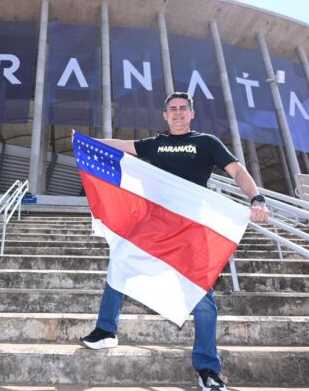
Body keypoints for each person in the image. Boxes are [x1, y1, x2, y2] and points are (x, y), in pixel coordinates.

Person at [79, 92, 269, 391]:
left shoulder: (206, 142)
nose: (178, 113)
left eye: (183, 109)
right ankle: (106, 330)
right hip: (155, 224)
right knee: (120, 260)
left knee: (203, 298)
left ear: (191, 114)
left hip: (192, 227)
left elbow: (237, 171)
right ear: (165, 115)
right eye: (172, 109)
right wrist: (86, 143)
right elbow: (120, 147)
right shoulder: (154, 144)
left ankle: (208, 369)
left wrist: (256, 197)